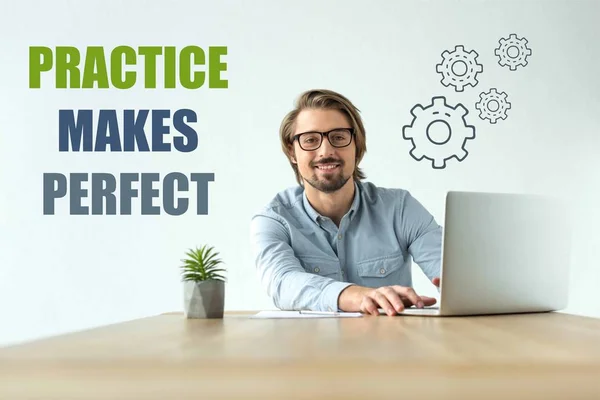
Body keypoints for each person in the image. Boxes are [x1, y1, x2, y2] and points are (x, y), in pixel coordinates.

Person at [250, 89, 442, 316]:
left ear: (357, 146)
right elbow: (282, 283)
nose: (326, 151)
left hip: (389, 348)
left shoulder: (400, 209)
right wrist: (355, 295)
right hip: (309, 349)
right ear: (292, 152)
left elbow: (452, 273)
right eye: (310, 140)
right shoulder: (274, 220)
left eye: (339, 137)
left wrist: (460, 283)